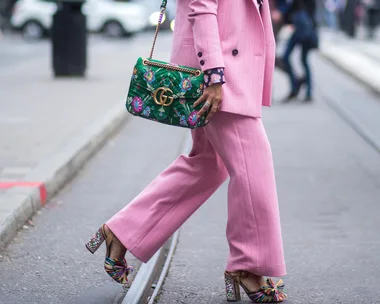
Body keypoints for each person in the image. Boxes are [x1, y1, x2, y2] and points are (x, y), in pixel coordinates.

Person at [85, 0, 287, 302]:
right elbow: (201, 5)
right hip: (219, 73)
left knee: (208, 164)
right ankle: (248, 264)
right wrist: (214, 75)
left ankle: (122, 231)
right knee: (254, 166)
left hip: (229, 66)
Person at [282, 0, 319, 102]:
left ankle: (302, 89)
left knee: (297, 59)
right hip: (304, 29)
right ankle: (302, 89)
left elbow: (293, 9)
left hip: (304, 29)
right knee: (300, 60)